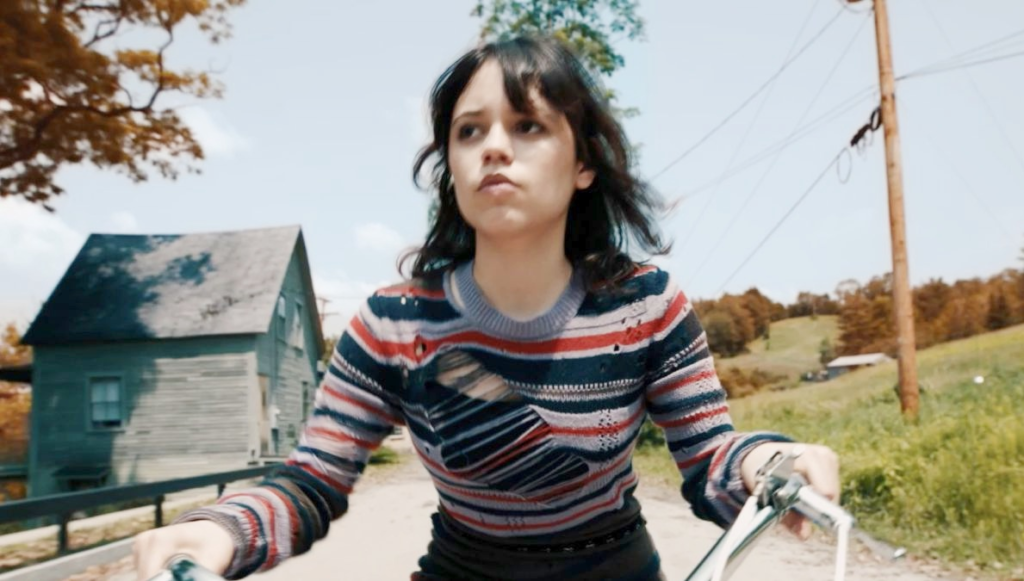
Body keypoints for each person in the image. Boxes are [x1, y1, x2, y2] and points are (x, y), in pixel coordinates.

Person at [133, 35, 839, 581]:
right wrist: (221, 529)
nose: (493, 147)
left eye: (527, 125)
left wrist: (771, 460)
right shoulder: (393, 323)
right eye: (469, 131)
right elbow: (313, 477)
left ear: (583, 163)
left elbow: (712, 453)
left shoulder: (645, 304)